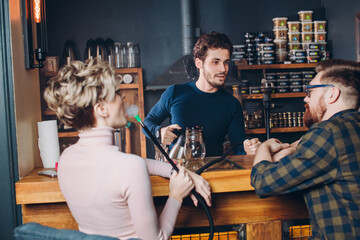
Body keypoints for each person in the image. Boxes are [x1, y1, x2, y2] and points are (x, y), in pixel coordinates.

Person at [44, 59, 211, 240]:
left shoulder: (66, 159)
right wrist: (176, 195)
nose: (122, 97)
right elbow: (157, 238)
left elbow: (140, 164)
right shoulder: (129, 167)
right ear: (101, 109)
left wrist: (178, 171)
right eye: (116, 93)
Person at [250, 59, 360, 239]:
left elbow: (263, 182)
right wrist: (289, 149)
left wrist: (264, 147)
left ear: (332, 94)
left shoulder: (328, 133)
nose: (305, 98)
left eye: (310, 91)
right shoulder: (348, 127)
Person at [144, 31, 259, 157]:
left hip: (214, 172)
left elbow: (239, 148)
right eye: (215, 62)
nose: (223, 69)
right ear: (199, 63)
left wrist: (250, 150)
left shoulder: (232, 104)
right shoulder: (175, 93)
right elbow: (147, 123)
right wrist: (158, 133)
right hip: (179, 172)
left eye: (226, 62)